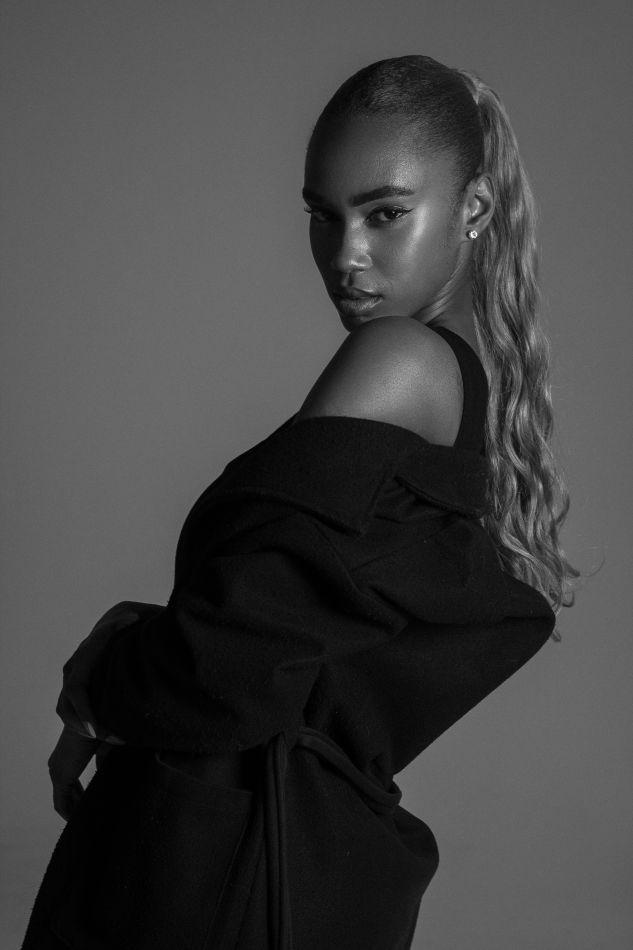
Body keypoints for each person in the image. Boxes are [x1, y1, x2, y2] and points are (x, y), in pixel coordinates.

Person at [22, 55, 579, 950]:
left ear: (474, 207)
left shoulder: (398, 359)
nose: (345, 256)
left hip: (215, 866)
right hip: (284, 863)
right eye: (324, 216)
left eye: (384, 213)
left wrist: (104, 673)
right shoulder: (466, 389)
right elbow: (282, 626)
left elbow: (221, 668)